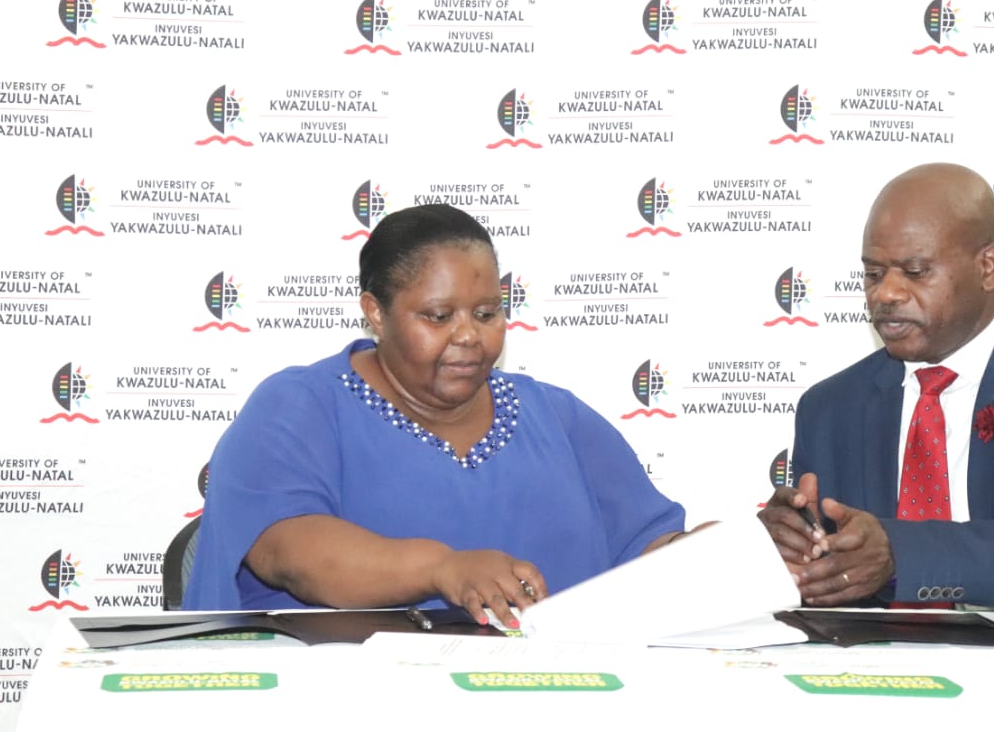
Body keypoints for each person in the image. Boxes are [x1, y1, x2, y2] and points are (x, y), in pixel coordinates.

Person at [184, 204, 695, 625]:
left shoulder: (558, 417)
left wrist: (712, 555)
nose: (469, 334)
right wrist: (443, 568)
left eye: (487, 313)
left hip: (553, 691)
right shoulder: (299, 406)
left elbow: (646, 548)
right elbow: (289, 552)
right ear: (376, 312)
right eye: (439, 316)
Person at [759, 163, 994, 610]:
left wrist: (901, 555)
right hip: (882, 650)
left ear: (989, 267)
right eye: (874, 274)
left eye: (915, 271)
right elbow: (829, 573)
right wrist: (786, 545)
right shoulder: (830, 408)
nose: (886, 294)